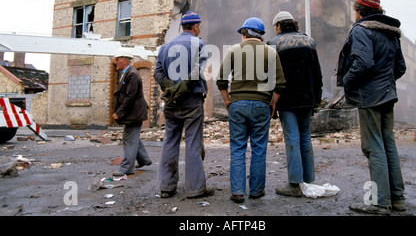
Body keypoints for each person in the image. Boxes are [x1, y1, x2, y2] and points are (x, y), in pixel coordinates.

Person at [337, 0, 406, 215]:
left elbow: (363, 63)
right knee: (388, 145)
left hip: (369, 96)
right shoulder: (391, 33)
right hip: (388, 95)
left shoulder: (361, 30)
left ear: (359, 11)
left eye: (354, 10)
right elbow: (400, 68)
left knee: (373, 147)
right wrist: (385, 83)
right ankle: (397, 199)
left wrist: (348, 81)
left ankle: (379, 202)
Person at [216, 17, 286, 203]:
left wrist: (227, 102)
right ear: (261, 35)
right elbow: (280, 85)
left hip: (237, 105)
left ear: (245, 34)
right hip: (262, 106)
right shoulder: (271, 52)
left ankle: (238, 191)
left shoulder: (233, 51)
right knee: (259, 149)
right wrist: (272, 104)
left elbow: (221, 81)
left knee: (237, 148)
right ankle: (256, 191)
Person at [154, 11, 214, 199]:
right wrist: (183, 86)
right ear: (195, 27)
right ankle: (195, 188)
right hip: (192, 100)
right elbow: (198, 71)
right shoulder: (200, 44)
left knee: (170, 140)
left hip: (171, 101)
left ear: (182, 27)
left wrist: (170, 88)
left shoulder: (165, 47)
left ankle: (166, 186)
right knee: (193, 142)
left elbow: (158, 73)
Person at [267, 11, 323, 197]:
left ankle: (294, 184)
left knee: (292, 138)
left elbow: (271, 76)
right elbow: (317, 73)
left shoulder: (273, 44)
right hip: (307, 98)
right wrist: (317, 98)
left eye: (275, 27)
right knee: (306, 138)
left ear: (279, 26)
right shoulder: (310, 41)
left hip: (286, 99)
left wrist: (271, 101)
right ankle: (308, 181)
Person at [112, 47, 152, 176]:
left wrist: (119, 112)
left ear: (124, 60)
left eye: (117, 59)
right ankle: (144, 159)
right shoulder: (127, 73)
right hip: (133, 113)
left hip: (134, 113)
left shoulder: (132, 74)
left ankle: (126, 168)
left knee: (129, 139)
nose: (115, 62)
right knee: (132, 137)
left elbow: (130, 97)